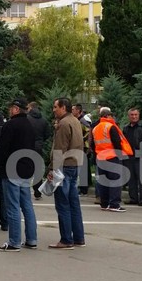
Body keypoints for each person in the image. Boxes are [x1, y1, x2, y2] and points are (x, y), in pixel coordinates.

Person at [0, 99, 38, 252]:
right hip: (27, 168)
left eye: (10, 108)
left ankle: (14, 242)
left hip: (12, 169)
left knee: (12, 206)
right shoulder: (30, 125)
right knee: (27, 205)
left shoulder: (10, 125)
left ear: (15, 109)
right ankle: (32, 240)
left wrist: (0, 166)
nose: (9, 111)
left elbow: (3, 149)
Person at [47, 97, 85, 249]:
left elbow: (59, 149)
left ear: (63, 107)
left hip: (63, 166)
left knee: (62, 204)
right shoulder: (75, 120)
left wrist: (52, 168)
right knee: (73, 204)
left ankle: (66, 240)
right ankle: (78, 237)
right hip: (74, 165)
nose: (54, 109)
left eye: (55, 106)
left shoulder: (63, 123)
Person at [93, 107, 130, 212]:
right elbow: (117, 142)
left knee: (103, 181)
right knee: (115, 181)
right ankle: (114, 204)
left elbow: (92, 143)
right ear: (108, 116)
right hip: (112, 156)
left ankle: (104, 203)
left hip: (100, 157)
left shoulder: (96, 128)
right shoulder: (111, 127)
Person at [123, 108, 142, 206]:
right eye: (132, 115)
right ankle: (133, 198)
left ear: (139, 115)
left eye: (136, 114)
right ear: (129, 116)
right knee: (131, 178)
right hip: (129, 156)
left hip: (141, 156)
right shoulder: (126, 128)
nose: (134, 116)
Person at [26, 101, 52, 199]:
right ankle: (37, 192)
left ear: (31, 108)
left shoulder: (27, 119)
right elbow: (47, 134)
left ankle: (24, 191)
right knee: (37, 170)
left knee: (27, 168)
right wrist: (41, 141)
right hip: (38, 147)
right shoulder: (43, 120)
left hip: (28, 146)